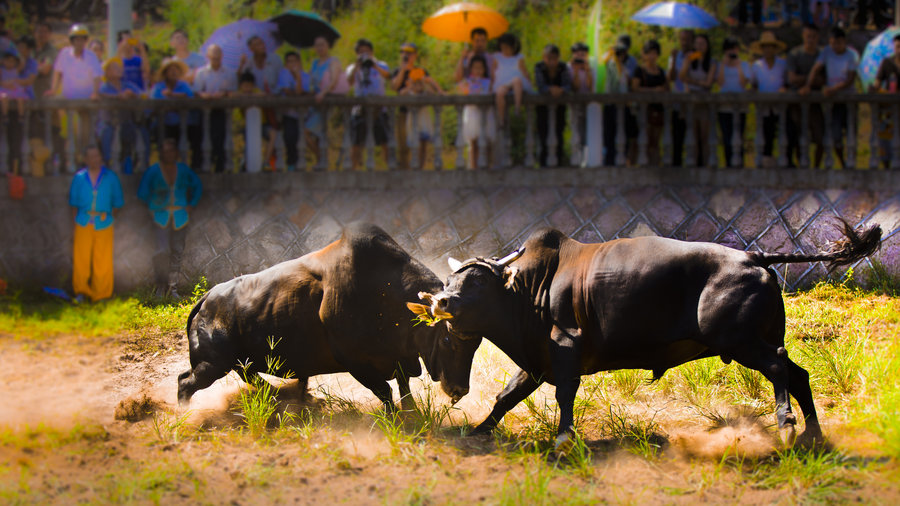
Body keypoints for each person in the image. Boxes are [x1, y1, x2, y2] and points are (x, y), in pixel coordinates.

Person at [138, 138, 202, 299]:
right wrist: (152, 207)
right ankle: (160, 286)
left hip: (180, 216)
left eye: (171, 151)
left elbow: (198, 186)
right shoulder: (153, 171)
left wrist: (191, 204)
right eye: (165, 151)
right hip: (161, 216)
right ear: (161, 153)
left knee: (177, 251)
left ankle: (173, 288)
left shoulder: (183, 170)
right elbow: (142, 192)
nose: (169, 154)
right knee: (162, 251)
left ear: (176, 153)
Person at [68, 145, 124, 302]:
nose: (94, 159)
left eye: (96, 156)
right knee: (81, 259)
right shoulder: (79, 178)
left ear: (101, 157)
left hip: (104, 222)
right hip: (83, 221)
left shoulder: (111, 177)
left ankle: (102, 294)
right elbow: (73, 203)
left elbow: (118, 203)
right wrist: (75, 223)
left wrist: (109, 217)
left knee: (103, 260)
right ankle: (82, 292)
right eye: (90, 156)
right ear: (85, 159)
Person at [801, 26, 858, 169]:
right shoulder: (827, 52)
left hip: (847, 98)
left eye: (838, 43)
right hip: (834, 101)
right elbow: (816, 68)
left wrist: (834, 89)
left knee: (851, 132)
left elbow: (850, 79)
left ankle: (850, 163)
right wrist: (808, 84)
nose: (835, 46)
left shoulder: (851, 55)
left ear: (844, 41)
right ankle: (843, 163)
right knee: (835, 134)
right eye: (832, 43)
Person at [48, 24, 102, 168]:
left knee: (85, 135)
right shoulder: (64, 53)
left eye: (82, 39)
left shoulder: (91, 55)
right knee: (66, 131)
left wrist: (95, 92)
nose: (79, 42)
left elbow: (97, 76)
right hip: (68, 99)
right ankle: (63, 160)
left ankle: (81, 161)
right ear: (72, 40)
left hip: (86, 100)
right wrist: (53, 90)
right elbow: (57, 72)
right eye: (76, 39)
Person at [391, 42, 440, 170]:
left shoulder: (421, 71)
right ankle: (404, 173)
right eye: (403, 52)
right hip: (404, 112)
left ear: (415, 55)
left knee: (422, 144)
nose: (406, 55)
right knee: (404, 145)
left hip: (420, 112)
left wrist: (425, 86)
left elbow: (431, 87)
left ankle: (420, 170)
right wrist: (403, 69)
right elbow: (394, 87)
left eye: (409, 53)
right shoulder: (397, 70)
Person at [346, 38, 391, 171]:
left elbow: (388, 76)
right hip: (359, 108)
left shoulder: (381, 64)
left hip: (379, 107)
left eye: (367, 51)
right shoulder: (353, 67)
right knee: (356, 142)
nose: (364, 54)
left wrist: (374, 65)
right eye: (361, 52)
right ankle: (352, 170)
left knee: (385, 141)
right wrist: (357, 66)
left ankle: (390, 168)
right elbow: (348, 83)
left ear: (372, 52)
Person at [151, 58, 202, 169]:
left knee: (196, 136)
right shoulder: (158, 87)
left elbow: (189, 98)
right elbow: (155, 104)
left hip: (184, 123)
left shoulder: (184, 85)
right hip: (165, 123)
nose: (173, 72)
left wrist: (173, 95)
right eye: (170, 70)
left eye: (176, 70)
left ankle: (195, 166)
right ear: (165, 73)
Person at [306, 35, 348, 169]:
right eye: (317, 45)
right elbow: (309, 80)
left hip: (326, 101)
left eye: (322, 44)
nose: (319, 48)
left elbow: (334, 81)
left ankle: (322, 160)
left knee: (306, 132)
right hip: (314, 103)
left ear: (328, 46)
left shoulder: (333, 62)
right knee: (317, 136)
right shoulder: (314, 63)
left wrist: (323, 93)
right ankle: (321, 162)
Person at [194, 44, 237, 173]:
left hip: (222, 111)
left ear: (222, 55)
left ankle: (221, 166)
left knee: (221, 138)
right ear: (208, 56)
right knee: (204, 138)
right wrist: (204, 95)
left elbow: (233, 91)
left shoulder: (229, 72)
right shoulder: (201, 72)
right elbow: (197, 91)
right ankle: (203, 166)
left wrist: (223, 94)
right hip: (205, 110)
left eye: (217, 52)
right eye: (212, 53)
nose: (215, 56)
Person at [787, 23, 825, 168]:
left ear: (818, 38)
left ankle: (816, 167)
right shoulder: (795, 54)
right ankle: (803, 166)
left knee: (820, 138)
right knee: (799, 137)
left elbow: (824, 80)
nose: (810, 40)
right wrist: (811, 80)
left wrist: (807, 82)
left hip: (815, 104)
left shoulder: (822, 54)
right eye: (808, 36)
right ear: (803, 36)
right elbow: (792, 78)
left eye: (813, 37)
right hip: (798, 102)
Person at [750, 32, 788, 168]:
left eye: (771, 47)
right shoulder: (756, 66)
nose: (768, 50)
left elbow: (786, 82)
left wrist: (783, 89)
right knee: (765, 133)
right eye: (765, 47)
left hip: (779, 105)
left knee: (783, 133)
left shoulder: (782, 64)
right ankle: (765, 161)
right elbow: (753, 84)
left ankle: (783, 161)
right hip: (764, 106)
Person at [678, 33, 717, 167]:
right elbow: (682, 76)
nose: (699, 47)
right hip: (692, 100)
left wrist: (694, 82)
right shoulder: (689, 59)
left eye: (702, 44)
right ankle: (692, 163)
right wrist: (687, 62)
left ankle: (705, 163)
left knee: (704, 135)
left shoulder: (711, 62)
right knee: (692, 134)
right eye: (697, 44)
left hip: (705, 101)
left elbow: (709, 83)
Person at [97, 57, 140, 171]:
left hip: (125, 121)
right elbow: (101, 94)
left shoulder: (127, 85)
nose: (118, 69)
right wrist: (118, 97)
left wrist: (132, 95)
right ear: (107, 72)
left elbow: (142, 94)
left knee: (132, 131)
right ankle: (107, 162)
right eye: (114, 67)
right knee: (106, 132)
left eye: (119, 67)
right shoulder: (104, 86)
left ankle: (129, 160)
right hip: (108, 122)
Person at [631, 39, 669, 167]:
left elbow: (666, 87)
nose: (652, 56)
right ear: (644, 54)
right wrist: (653, 91)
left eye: (655, 53)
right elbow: (635, 88)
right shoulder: (639, 71)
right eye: (649, 53)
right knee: (643, 140)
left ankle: (655, 166)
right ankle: (642, 166)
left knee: (655, 141)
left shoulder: (661, 71)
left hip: (658, 110)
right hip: (644, 111)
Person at [534, 44, 572, 167]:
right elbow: (540, 86)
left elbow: (568, 85)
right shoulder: (539, 67)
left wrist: (560, 90)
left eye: (554, 58)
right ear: (544, 58)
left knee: (558, 133)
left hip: (559, 107)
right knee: (543, 134)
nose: (551, 62)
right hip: (543, 107)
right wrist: (551, 89)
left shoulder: (563, 67)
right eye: (548, 58)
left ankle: (559, 162)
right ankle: (543, 164)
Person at [716, 37, 751, 168]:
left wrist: (738, 66)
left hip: (740, 107)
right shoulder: (720, 65)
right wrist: (724, 65)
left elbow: (744, 83)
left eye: (734, 49)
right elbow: (719, 83)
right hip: (724, 107)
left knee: (739, 137)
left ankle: (740, 165)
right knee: (726, 137)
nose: (732, 52)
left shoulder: (744, 65)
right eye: (729, 49)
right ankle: (728, 165)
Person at [458, 54, 495, 169]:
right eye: (475, 68)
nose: (478, 71)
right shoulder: (468, 82)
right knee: (474, 142)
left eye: (480, 68)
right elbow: (459, 91)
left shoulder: (489, 82)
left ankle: (488, 168)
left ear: (484, 69)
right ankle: (474, 168)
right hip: (473, 113)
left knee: (487, 143)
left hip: (486, 113)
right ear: (471, 69)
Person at [276, 51, 310, 171]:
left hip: (303, 114)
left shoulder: (305, 76)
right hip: (289, 113)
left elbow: (301, 92)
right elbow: (288, 91)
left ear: (299, 62)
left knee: (302, 138)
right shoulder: (283, 75)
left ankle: (300, 163)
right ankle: (291, 163)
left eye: (294, 61)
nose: (292, 64)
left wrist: (298, 77)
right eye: (289, 61)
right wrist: (296, 92)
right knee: (289, 137)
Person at [869, 34, 900, 167]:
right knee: (886, 141)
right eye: (898, 46)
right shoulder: (887, 63)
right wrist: (874, 88)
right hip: (889, 109)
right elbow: (878, 82)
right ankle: (886, 166)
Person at [492, 32, 532, 126]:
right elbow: (493, 71)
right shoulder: (497, 57)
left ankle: (517, 108)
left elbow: (524, 71)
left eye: (507, 48)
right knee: (499, 93)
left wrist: (528, 79)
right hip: (502, 82)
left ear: (513, 47)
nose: (504, 50)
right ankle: (501, 119)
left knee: (517, 80)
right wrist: (491, 84)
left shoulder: (518, 57)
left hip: (515, 81)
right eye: (502, 48)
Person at [668, 29, 694, 167]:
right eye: (682, 39)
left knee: (692, 136)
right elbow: (671, 78)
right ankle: (676, 164)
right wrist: (673, 60)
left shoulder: (695, 56)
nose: (684, 42)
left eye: (687, 39)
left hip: (691, 101)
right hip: (677, 100)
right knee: (676, 136)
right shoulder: (676, 56)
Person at [400, 69, 436, 170]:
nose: (418, 85)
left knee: (423, 145)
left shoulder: (425, 93)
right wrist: (410, 86)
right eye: (416, 82)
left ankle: (421, 167)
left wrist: (425, 83)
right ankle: (414, 167)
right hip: (413, 122)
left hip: (424, 121)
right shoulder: (409, 94)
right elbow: (401, 93)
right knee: (415, 146)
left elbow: (432, 93)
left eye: (419, 82)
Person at [603, 40, 632, 166]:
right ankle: (609, 161)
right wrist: (611, 53)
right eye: (619, 53)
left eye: (622, 53)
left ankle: (623, 160)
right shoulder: (610, 64)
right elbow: (603, 62)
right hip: (610, 105)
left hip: (623, 105)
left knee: (623, 135)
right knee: (610, 135)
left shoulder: (626, 69)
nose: (620, 56)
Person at [235, 71, 265, 172]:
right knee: (246, 142)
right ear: (241, 86)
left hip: (259, 125)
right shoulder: (238, 93)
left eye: (250, 86)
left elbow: (263, 95)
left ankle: (264, 163)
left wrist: (251, 96)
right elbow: (231, 95)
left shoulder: (256, 92)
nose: (247, 89)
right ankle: (244, 162)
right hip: (242, 125)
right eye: (245, 86)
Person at [569, 42, 593, 161]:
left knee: (587, 133)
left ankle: (586, 159)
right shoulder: (569, 68)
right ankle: (576, 159)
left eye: (583, 54)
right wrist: (577, 72)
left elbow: (590, 87)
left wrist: (587, 71)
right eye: (577, 54)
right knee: (575, 131)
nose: (580, 57)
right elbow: (575, 87)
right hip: (574, 104)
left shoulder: (590, 67)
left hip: (587, 104)